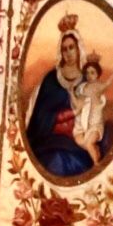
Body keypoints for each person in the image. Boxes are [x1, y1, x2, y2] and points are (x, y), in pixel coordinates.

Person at [24, 19, 96, 178]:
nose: (68, 53)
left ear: (78, 49)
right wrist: (62, 117)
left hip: (78, 144)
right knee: (56, 161)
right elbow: (39, 118)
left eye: (71, 47)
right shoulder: (51, 79)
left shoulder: (87, 79)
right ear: (61, 52)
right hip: (50, 142)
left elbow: (94, 115)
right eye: (64, 49)